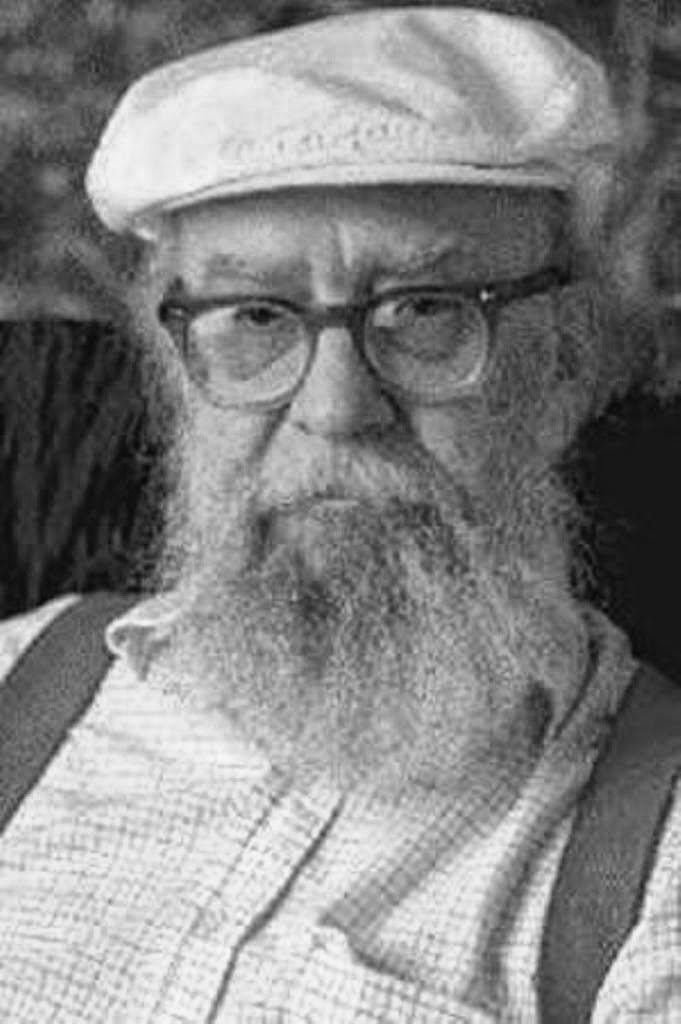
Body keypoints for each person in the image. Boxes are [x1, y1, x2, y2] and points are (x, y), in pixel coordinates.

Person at [0, 4, 678, 1021]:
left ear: (567, 360)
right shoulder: (16, 680)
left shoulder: (659, 874)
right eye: (254, 316)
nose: (335, 408)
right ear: (175, 371)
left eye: (425, 311)